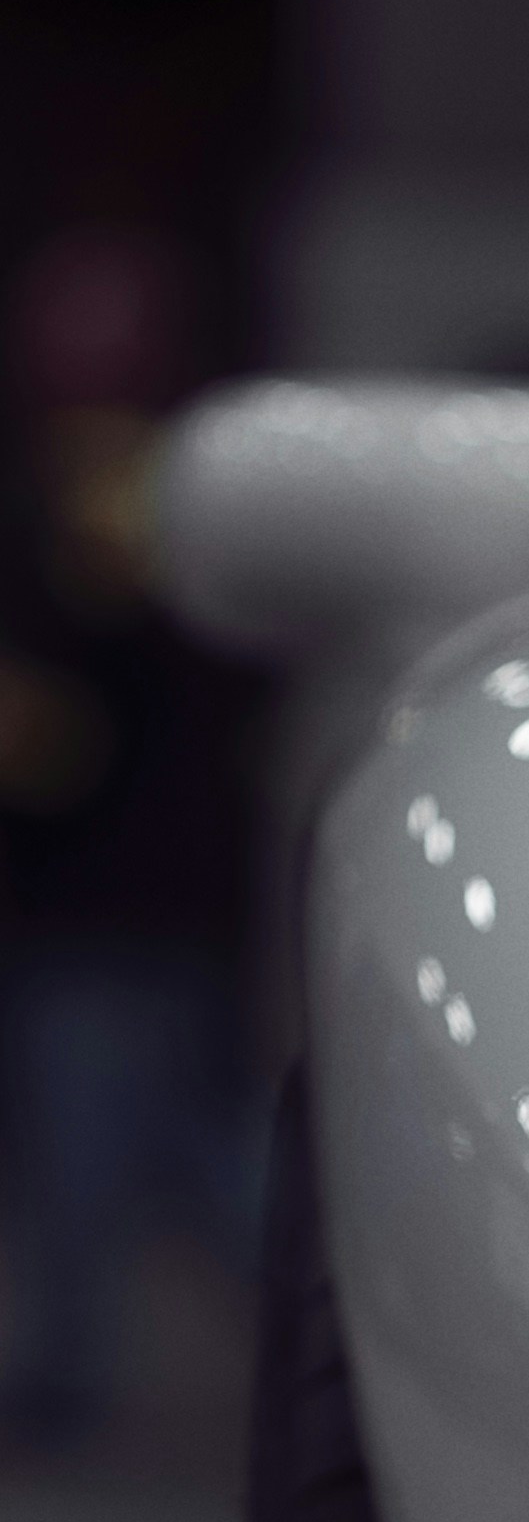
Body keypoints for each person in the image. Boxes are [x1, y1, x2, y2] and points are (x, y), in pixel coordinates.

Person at [0, 222, 259, 1445]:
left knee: (134, 1147)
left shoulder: (121, 484)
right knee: (159, 1146)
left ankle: (61, 1369)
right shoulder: (108, 476)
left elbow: (76, 707)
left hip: (123, 891)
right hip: (117, 886)